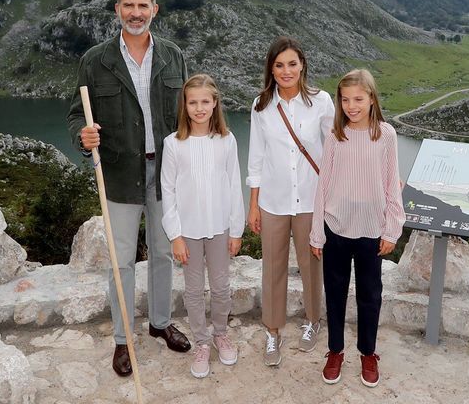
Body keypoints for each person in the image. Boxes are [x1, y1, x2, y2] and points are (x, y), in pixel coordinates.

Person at [67, 0, 190, 377]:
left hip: (166, 172)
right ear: (117, 10)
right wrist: (83, 138)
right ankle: (122, 340)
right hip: (119, 174)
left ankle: (159, 323)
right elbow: (76, 115)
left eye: (143, 6)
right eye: (128, 6)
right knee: (121, 261)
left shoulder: (173, 57)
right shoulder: (95, 60)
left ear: (155, 9)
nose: (136, 13)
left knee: (163, 252)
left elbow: (188, 115)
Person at [310, 69, 403, 388]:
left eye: (359, 99)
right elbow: (323, 186)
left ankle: (368, 352)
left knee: (369, 295)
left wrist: (392, 229)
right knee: (334, 294)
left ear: (372, 99)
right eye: (345, 100)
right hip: (336, 229)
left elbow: (393, 185)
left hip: (371, 232)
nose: (352, 106)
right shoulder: (336, 136)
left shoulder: (386, 135)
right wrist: (317, 232)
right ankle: (335, 350)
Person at [246, 36, 335, 366]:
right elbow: (256, 157)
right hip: (274, 201)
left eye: (292, 64)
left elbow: (337, 144)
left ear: (303, 66)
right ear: (271, 68)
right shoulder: (261, 106)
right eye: (279, 65)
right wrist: (253, 204)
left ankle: (313, 321)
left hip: (312, 201)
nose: (286, 71)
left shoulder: (321, 101)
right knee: (273, 268)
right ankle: (273, 331)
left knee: (312, 265)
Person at [161, 74, 245, 378]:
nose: (199, 108)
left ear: (214, 104)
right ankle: (201, 342)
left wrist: (236, 230)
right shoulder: (173, 144)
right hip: (188, 232)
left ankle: (220, 333)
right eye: (193, 102)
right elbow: (167, 191)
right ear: (185, 105)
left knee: (221, 287)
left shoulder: (227, 140)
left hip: (220, 227)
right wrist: (176, 236)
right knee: (194, 290)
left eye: (205, 102)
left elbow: (235, 185)